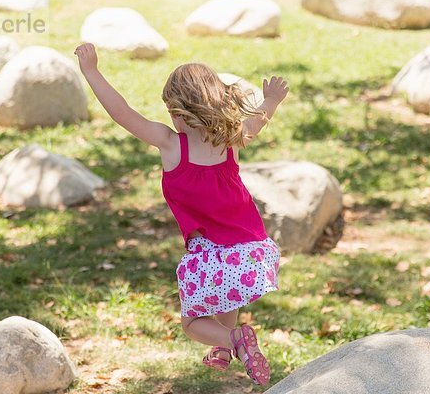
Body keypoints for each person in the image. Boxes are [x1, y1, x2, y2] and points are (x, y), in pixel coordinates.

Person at [75, 43, 289, 386]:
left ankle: (232, 340)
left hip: (210, 256)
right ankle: (223, 348)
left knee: (192, 324)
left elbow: (123, 114)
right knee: (226, 293)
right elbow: (256, 122)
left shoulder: (172, 145)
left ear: (177, 112)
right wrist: (272, 101)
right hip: (251, 254)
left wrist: (92, 72)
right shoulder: (230, 139)